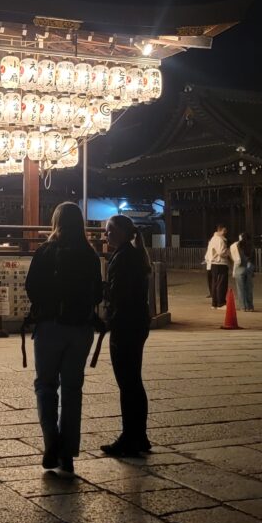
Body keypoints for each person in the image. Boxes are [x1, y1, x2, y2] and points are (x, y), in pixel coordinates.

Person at [26, 202, 104, 477]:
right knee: (72, 389)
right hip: (80, 329)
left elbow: (31, 287)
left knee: (46, 385)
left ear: (55, 221)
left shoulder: (46, 251)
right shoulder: (90, 254)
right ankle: (67, 453)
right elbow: (97, 295)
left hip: (49, 327)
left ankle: (51, 441)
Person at [101, 214, 153, 458]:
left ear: (122, 232)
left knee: (127, 382)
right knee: (134, 380)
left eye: (110, 230)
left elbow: (119, 294)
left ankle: (129, 436)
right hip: (138, 322)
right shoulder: (133, 255)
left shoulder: (124, 258)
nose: (106, 234)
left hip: (125, 324)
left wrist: (109, 316)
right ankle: (139, 435)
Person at [203, 225, 230, 309]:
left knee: (214, 284)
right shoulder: (220, 239)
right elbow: (221, 252)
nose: (225, 232)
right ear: (220, 230)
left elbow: (208, 254)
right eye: (224, 231)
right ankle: (220, 303)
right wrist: (228, 252)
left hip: (213, 264)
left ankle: (214, 303)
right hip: (220, 263)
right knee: (221, 284)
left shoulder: (212, 239)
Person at [232, 232, 256, 311]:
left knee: (240, 289)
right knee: (249, 288)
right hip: (249, 267)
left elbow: (235, 258)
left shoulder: (238, 245)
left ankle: (243, 307)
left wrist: (234, 270)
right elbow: (253, 258)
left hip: (240, 267)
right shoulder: (251, 246)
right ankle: (250, 306)